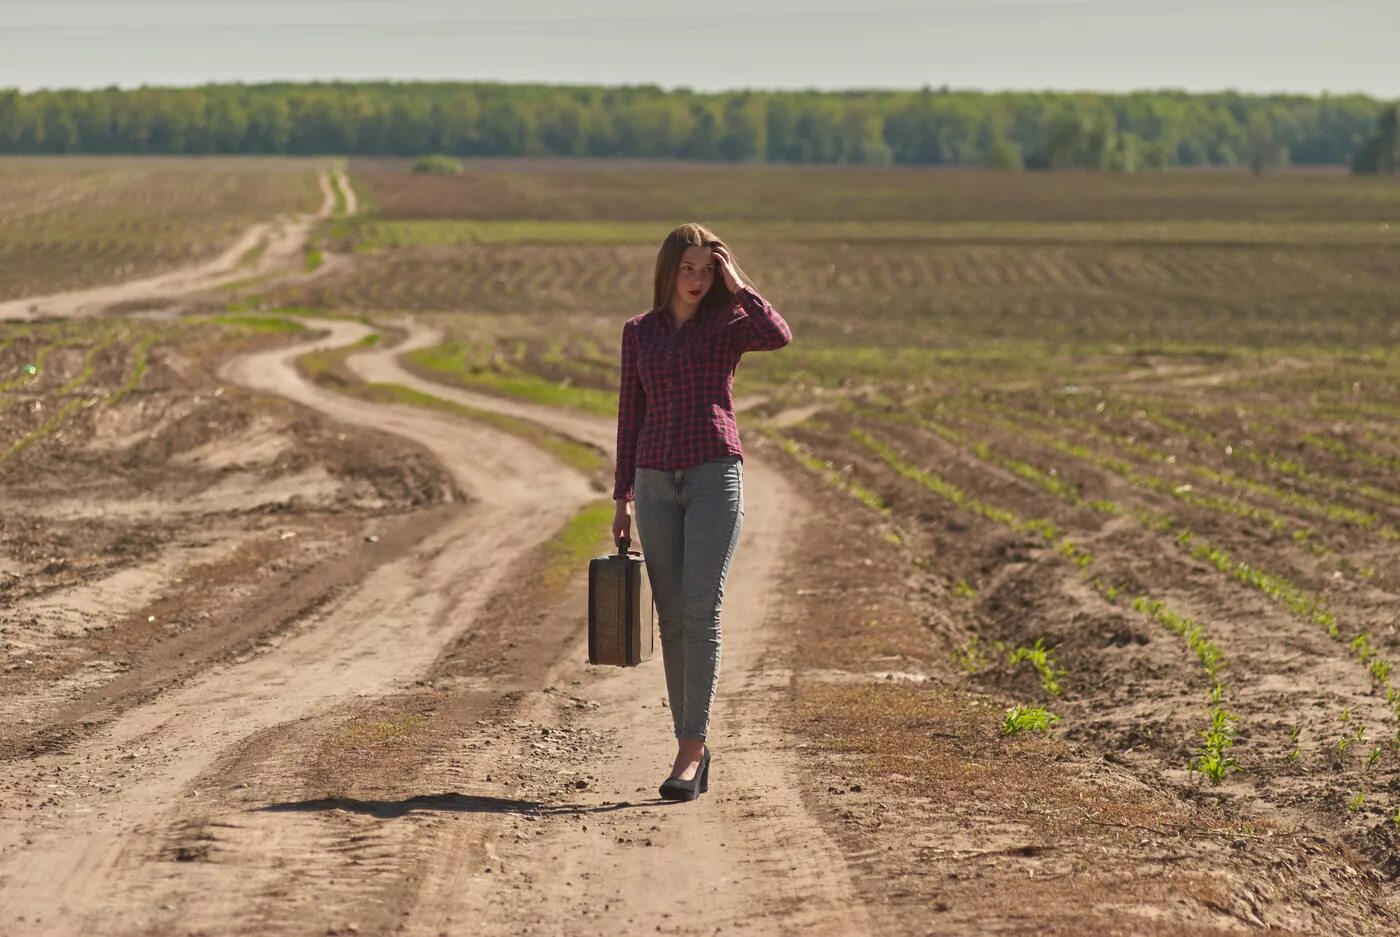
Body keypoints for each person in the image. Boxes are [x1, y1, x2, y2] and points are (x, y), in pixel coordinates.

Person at [611, 222, 793, 802]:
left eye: (707, 269)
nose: (697, 280)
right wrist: (622, 498)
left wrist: (738, 282)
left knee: (702, 608)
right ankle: (689, 744)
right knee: (672, 618)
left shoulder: (728, 323)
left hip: (716, 476)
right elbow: (628, 417)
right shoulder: (639, 333)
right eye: (688, 268)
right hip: (656, 481)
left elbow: (779, 334)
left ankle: (691, 750)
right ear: (669, 271)